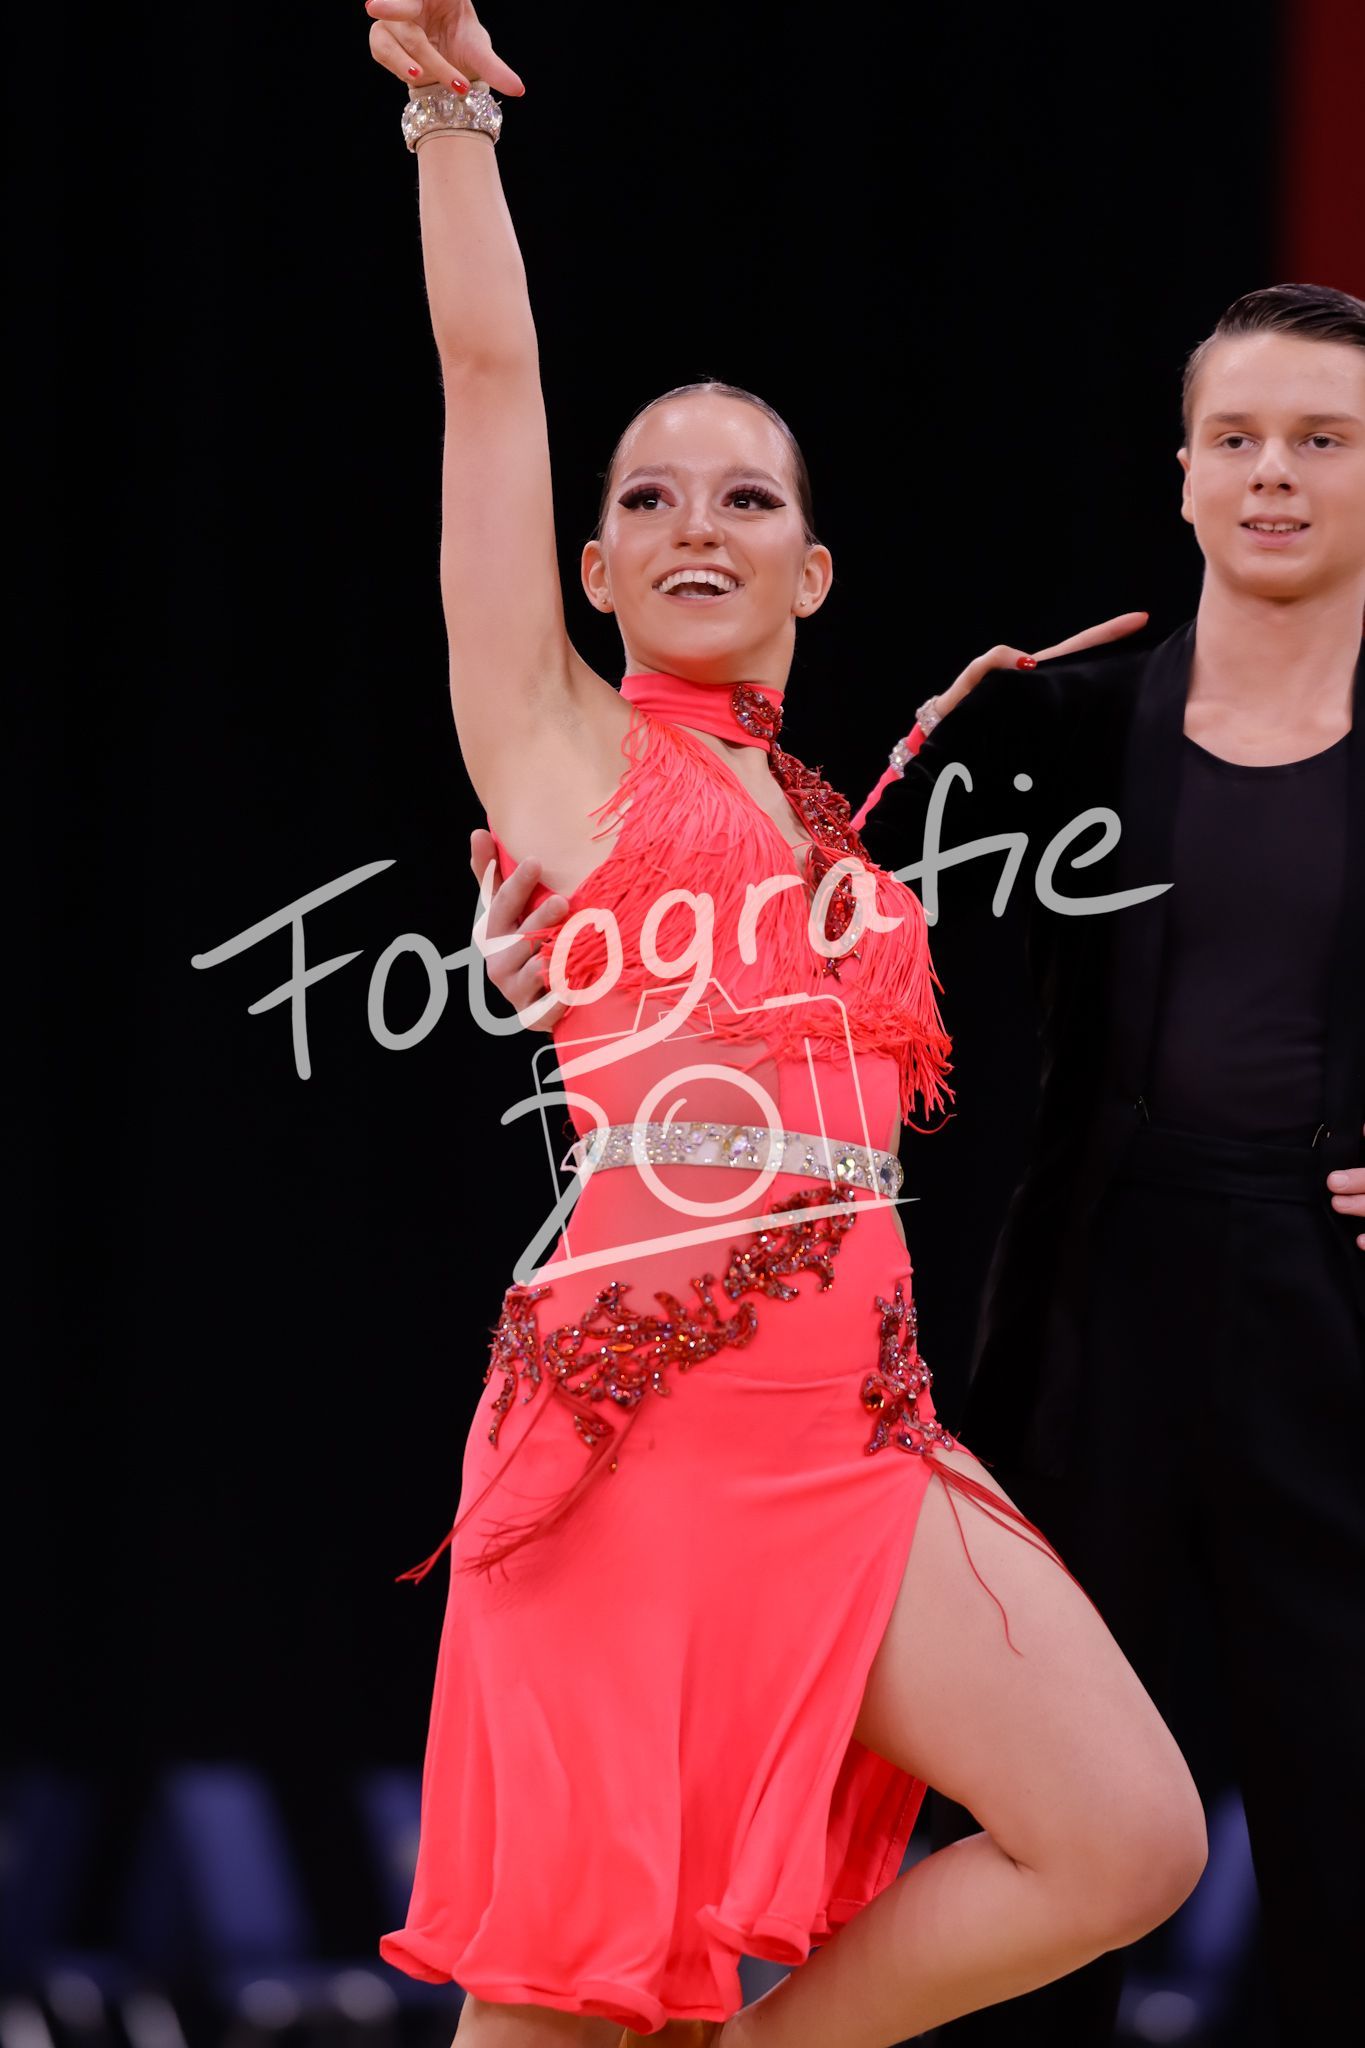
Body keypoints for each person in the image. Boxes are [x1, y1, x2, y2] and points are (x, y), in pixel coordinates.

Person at [361, 6, 1207, 2045]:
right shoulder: (561, 748)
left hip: (851, 1431)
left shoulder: (832, 824)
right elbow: (487, 383)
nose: (694, 527)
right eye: (649, 499)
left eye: (742, 500)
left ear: (810, 569)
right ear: (593, 564)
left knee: (1121, 1838)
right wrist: (450, 114)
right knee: (564, 2002)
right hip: (635, 1429)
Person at [490, 281, 1365, 2044]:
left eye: (1320, 440)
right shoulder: (1045, 724)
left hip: (1335, 1331)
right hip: (1087, 1324)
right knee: (1033, 1856)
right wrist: (554, 943)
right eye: (1235, 437)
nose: (1271, 473)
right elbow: (781, 911)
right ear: (1181, 473)